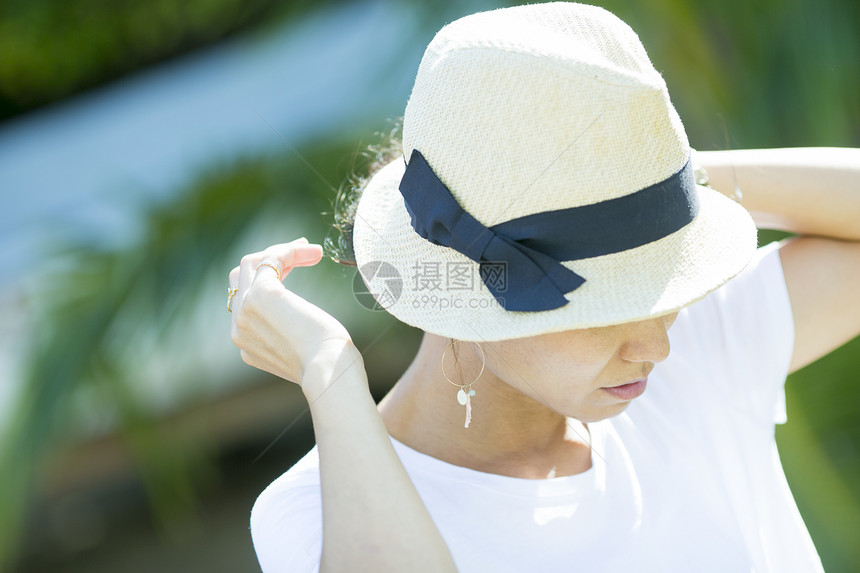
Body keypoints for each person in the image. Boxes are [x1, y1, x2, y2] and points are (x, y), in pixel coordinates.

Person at [227, 3, 859, 572]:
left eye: (665, 287)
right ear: (464, 296)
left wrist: (665, 181)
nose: (656, 345)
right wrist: (329, 373)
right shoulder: (316, 512)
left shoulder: (700, 351)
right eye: (603, 304)